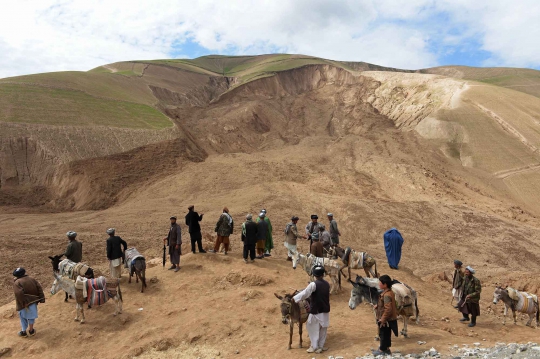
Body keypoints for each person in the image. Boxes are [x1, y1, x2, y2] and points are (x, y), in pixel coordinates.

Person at [293, 266, 330, 354]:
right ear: (323, 274)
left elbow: (305, 293)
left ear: (314, 275)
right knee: (323, 329)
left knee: (311, 327)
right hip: (325, 310)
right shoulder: (327, 284)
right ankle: (320, 346)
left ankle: (314, 346)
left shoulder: (313, 284)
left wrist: (294, 299)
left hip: (316, 311)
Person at [13, 267, 45, 338]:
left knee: (22, 317)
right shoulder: (32, 279)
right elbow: (39, 288)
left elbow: (19, 294)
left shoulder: (17, 282)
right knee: (31, 316)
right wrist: (41, 298)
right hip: (33, 301)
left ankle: (23, 332)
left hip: (23, 303)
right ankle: (31, 330)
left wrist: (23, 303)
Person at [372, 275, 398, 356]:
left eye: (380, 283)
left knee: (383, 334)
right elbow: (385, 304)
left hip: (386, 319)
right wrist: (377, 306)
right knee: (387, 334)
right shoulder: (388, 292)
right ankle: (386, 349)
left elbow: (388, 309)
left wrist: (382, 319)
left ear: (385, 284)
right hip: (388, 319)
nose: (379, 284)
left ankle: (381, 350)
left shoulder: (386, 295)